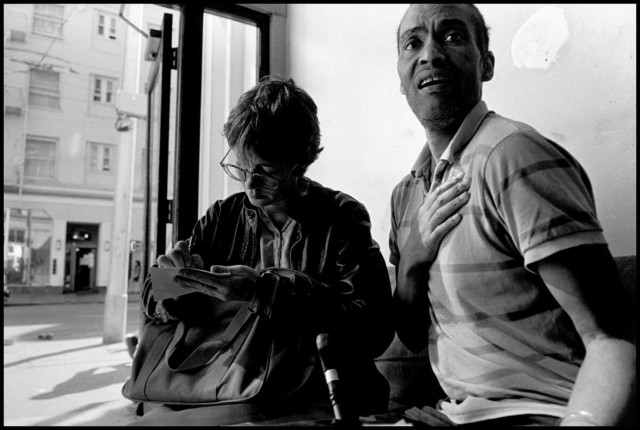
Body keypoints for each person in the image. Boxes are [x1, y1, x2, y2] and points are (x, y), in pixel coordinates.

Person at [390, 4, 636, 427]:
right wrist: (412, 258)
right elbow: (412, 338)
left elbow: (612, 338)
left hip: (540, 413)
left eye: (452, 36)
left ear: (486, 64)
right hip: (453, 415)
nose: (429, 54)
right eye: (413, 43)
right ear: (400, 77)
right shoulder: (406, 194)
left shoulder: (514, 155)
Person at [131, 76, 394, 426]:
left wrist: (266, 292)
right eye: (241, 167)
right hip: (227, 384)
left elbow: (374, 329)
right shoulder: (222, 217)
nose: (249, 184)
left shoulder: (341, 217)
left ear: (301, 161)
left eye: (265, 171)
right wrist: (170, 284)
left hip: (316, 389)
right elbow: (154, 301)